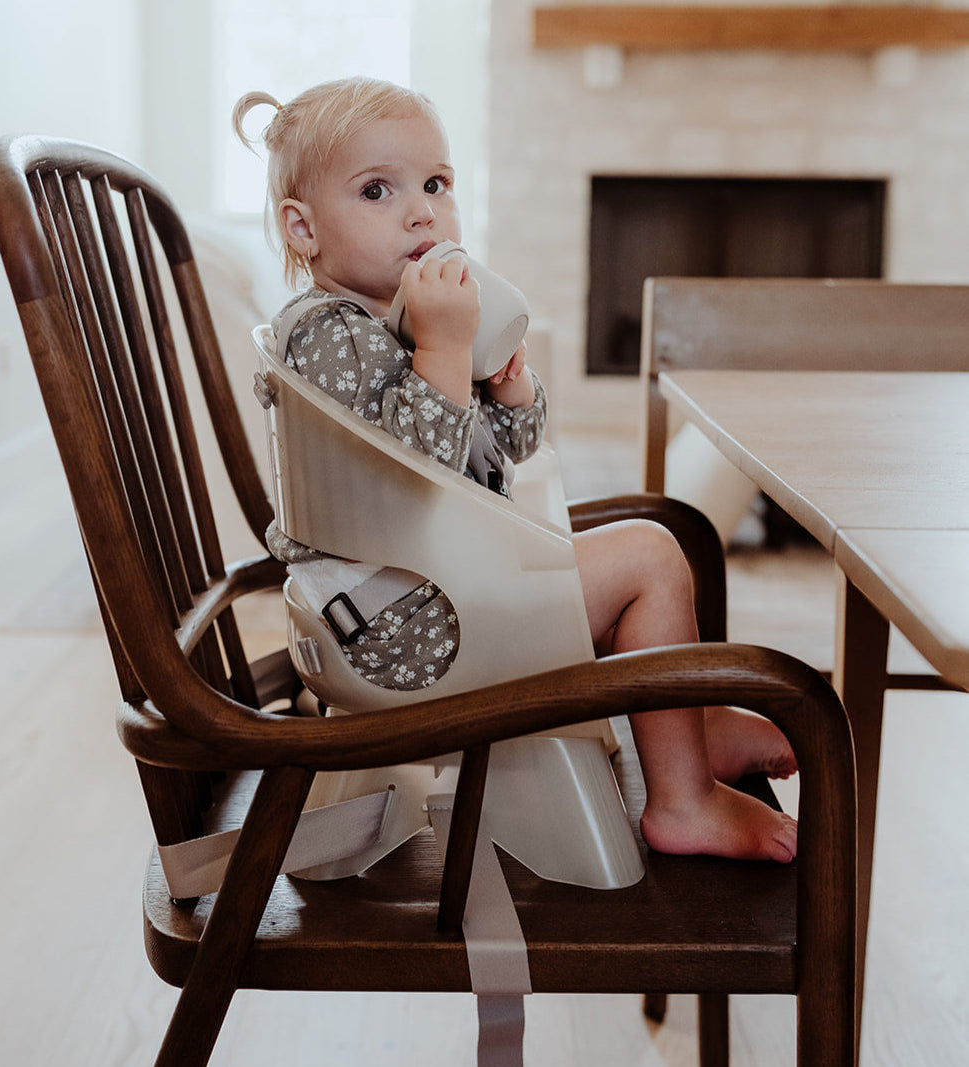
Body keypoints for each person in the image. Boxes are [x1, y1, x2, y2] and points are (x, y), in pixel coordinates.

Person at [235, 77, 798, 863]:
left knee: (628, 569)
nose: (421, 211)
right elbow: (418, 468)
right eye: (376, 190)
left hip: (437, 589)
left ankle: (687, 734)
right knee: (649, 557)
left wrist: (506, 380)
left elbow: (508, 446)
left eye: (435, 184)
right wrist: (443, 347)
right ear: (303, 229)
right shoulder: (325, 335)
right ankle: (682, 800)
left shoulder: (395, 320)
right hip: (405, 629)